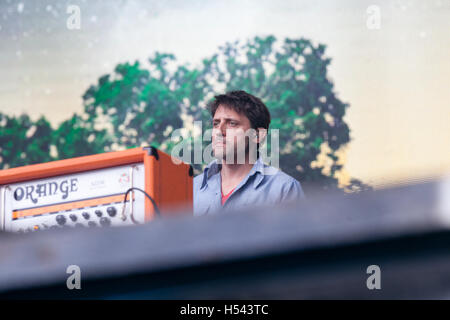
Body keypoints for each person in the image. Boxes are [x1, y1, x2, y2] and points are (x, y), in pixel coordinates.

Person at [193, 90, 305, 216]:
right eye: (216, 123)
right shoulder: (192, 189)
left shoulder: (284, 190)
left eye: (232, 123)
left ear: (257, 135)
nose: (219, 131)